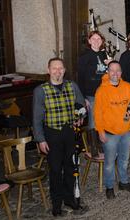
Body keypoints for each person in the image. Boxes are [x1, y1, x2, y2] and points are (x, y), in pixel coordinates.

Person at [33, 58, 87, 216]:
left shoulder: (72, 86)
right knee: (56, 170)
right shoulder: (40, 90)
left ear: (64, 70)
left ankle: (69, 199)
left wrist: (81, 115)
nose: (58, 71)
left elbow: (81, 104)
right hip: (52, 134)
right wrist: (40, 139)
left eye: (60, 68)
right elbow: (36, 118)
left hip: (70, 132)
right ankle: (56, 205)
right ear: (48, 70)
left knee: (71, 168)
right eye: (54, 68)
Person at [94, 61, 130, 199]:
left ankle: (124, 182)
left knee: (124, 159)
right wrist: (100, 131)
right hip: (109, 133)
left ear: (121, 72)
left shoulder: (128, 87)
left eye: (118, 70)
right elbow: (97, 113)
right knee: (109, 163)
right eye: (112, 70)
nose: (115, 73)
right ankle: (109, 187)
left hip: (125, 132)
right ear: (107, 72)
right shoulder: (101, 90)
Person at [77, 30, 112, 156]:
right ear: (89, 41)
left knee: (103, 120)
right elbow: (80, 78)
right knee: (93, 120)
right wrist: (82, 98)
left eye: (99, 39)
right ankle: (93, 148)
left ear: (102, 41)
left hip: (105, 94)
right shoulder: (84, 56)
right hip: (91, 94)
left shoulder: (104, 55)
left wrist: (110, 65)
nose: (96, 41)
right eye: (94, 39)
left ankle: (102, 145)